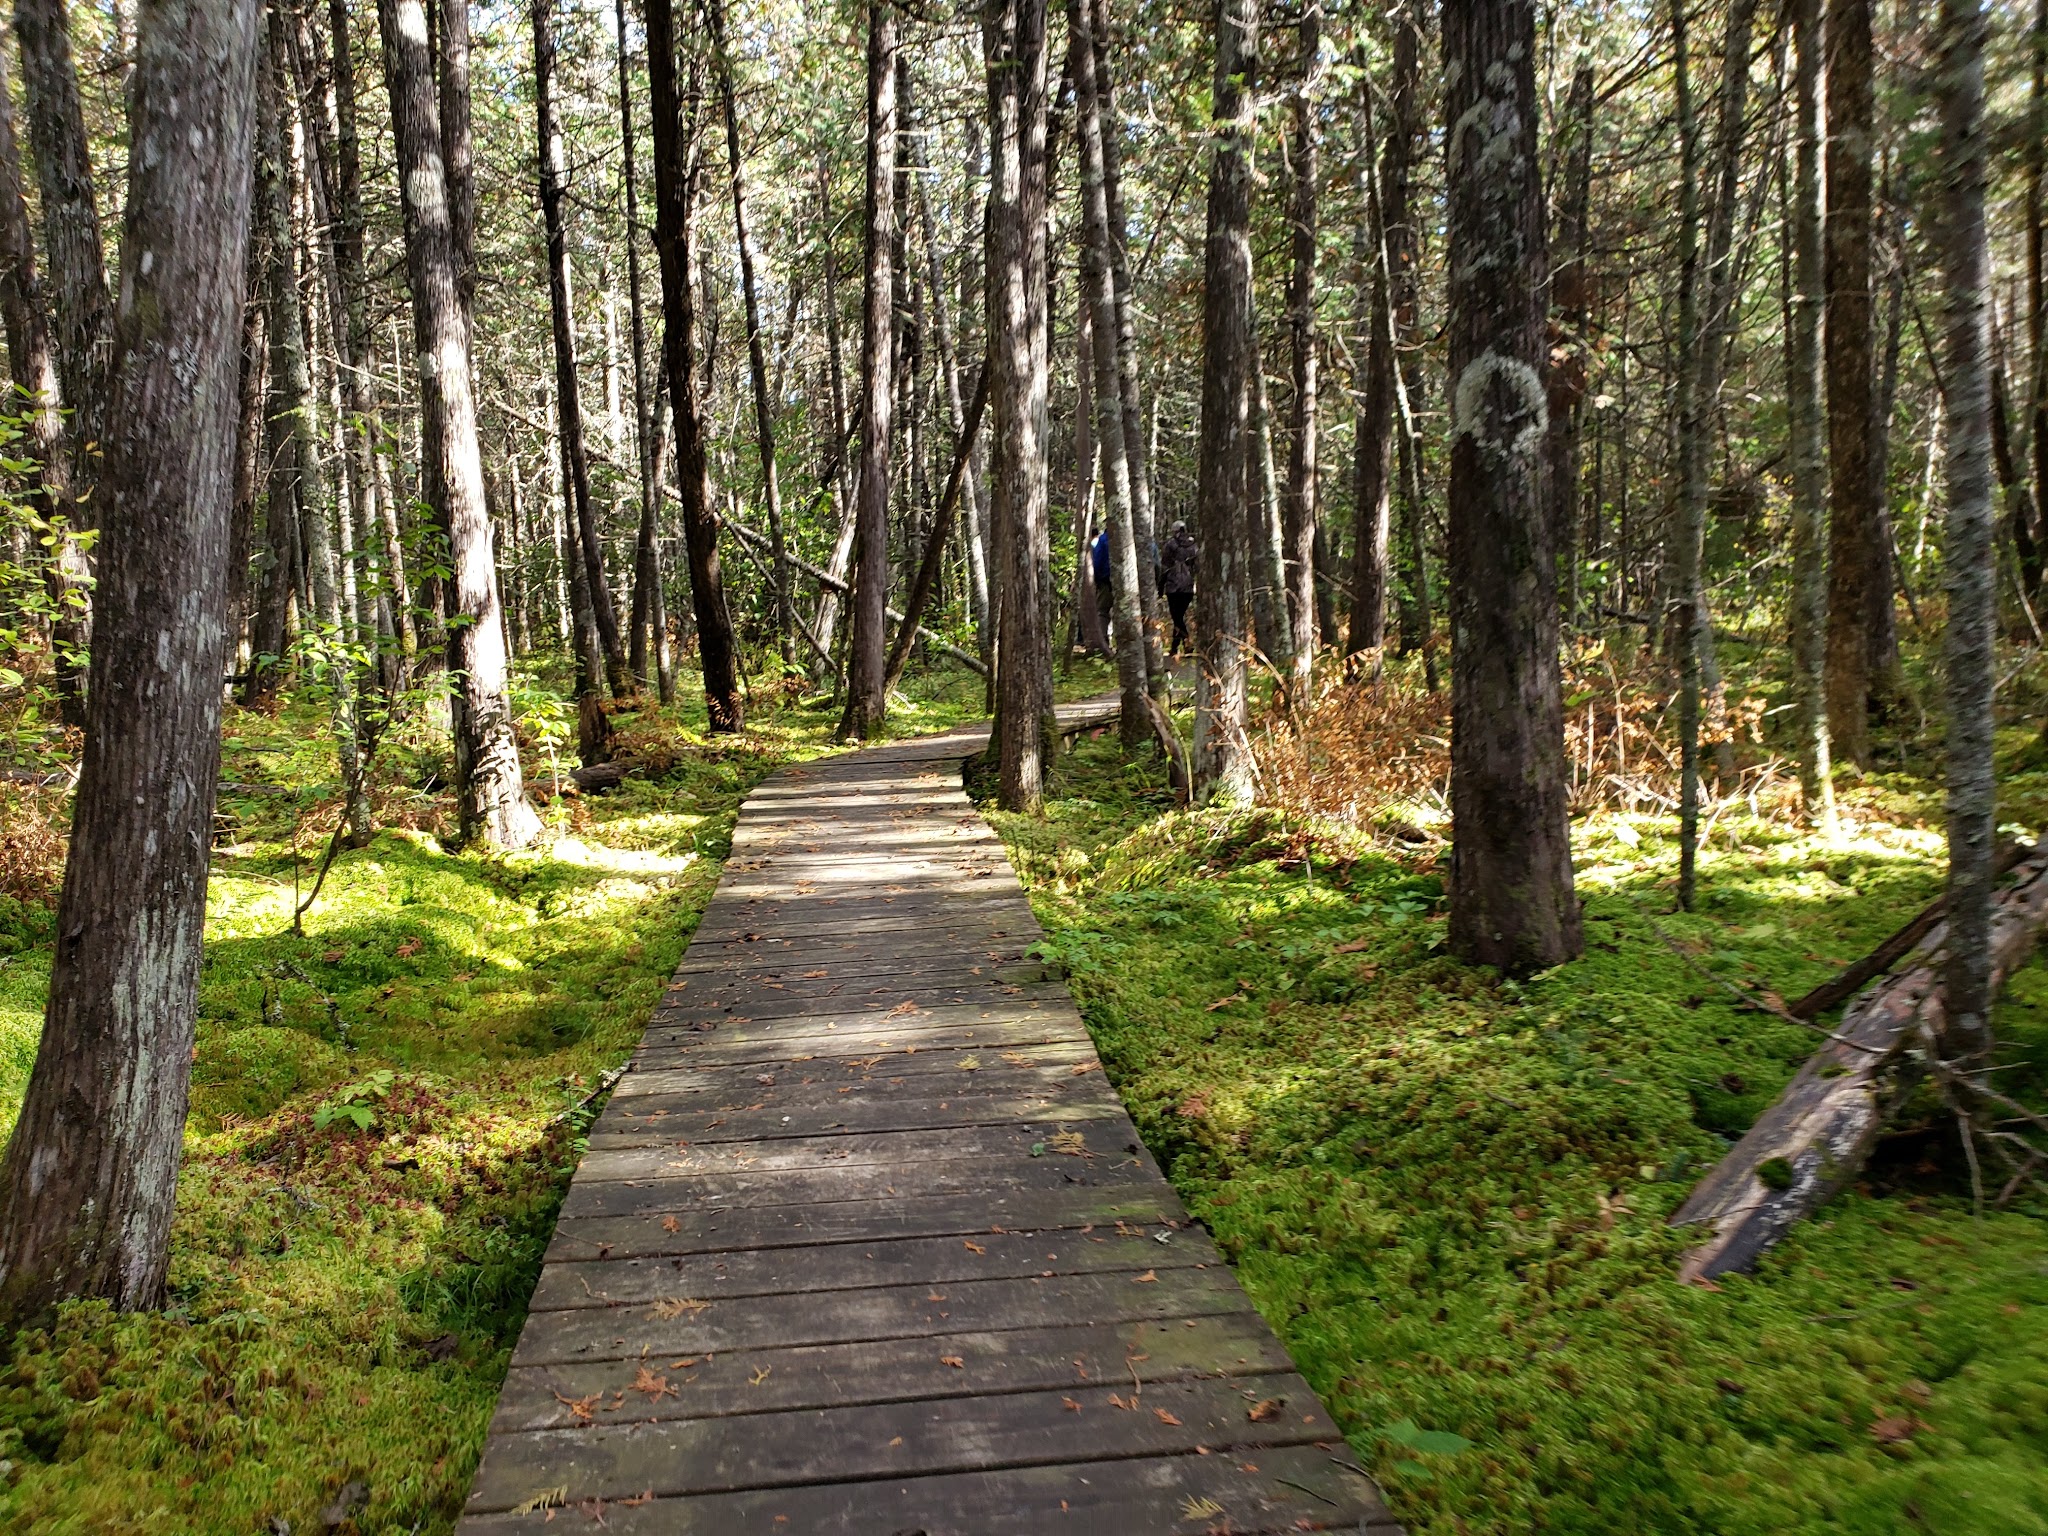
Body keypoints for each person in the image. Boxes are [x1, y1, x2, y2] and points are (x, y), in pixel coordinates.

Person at [1159, 520, 1198, 655]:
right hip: (1188, 586)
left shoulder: (1170, 545)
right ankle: (1176, 648)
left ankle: (1185, 644)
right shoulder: (1193, 545)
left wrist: (1160, 587)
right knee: (1179, 617)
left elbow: (1164, 567)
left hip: (1173, 586)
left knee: (1177, 618)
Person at [1090, 526, 1114, 648]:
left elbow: (1097, 561)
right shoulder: (1130, 535)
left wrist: (1096, 579)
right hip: (1125, 582)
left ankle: (1103, 641)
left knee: (1102, 611)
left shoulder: (1103, 540)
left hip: (1106, 581)